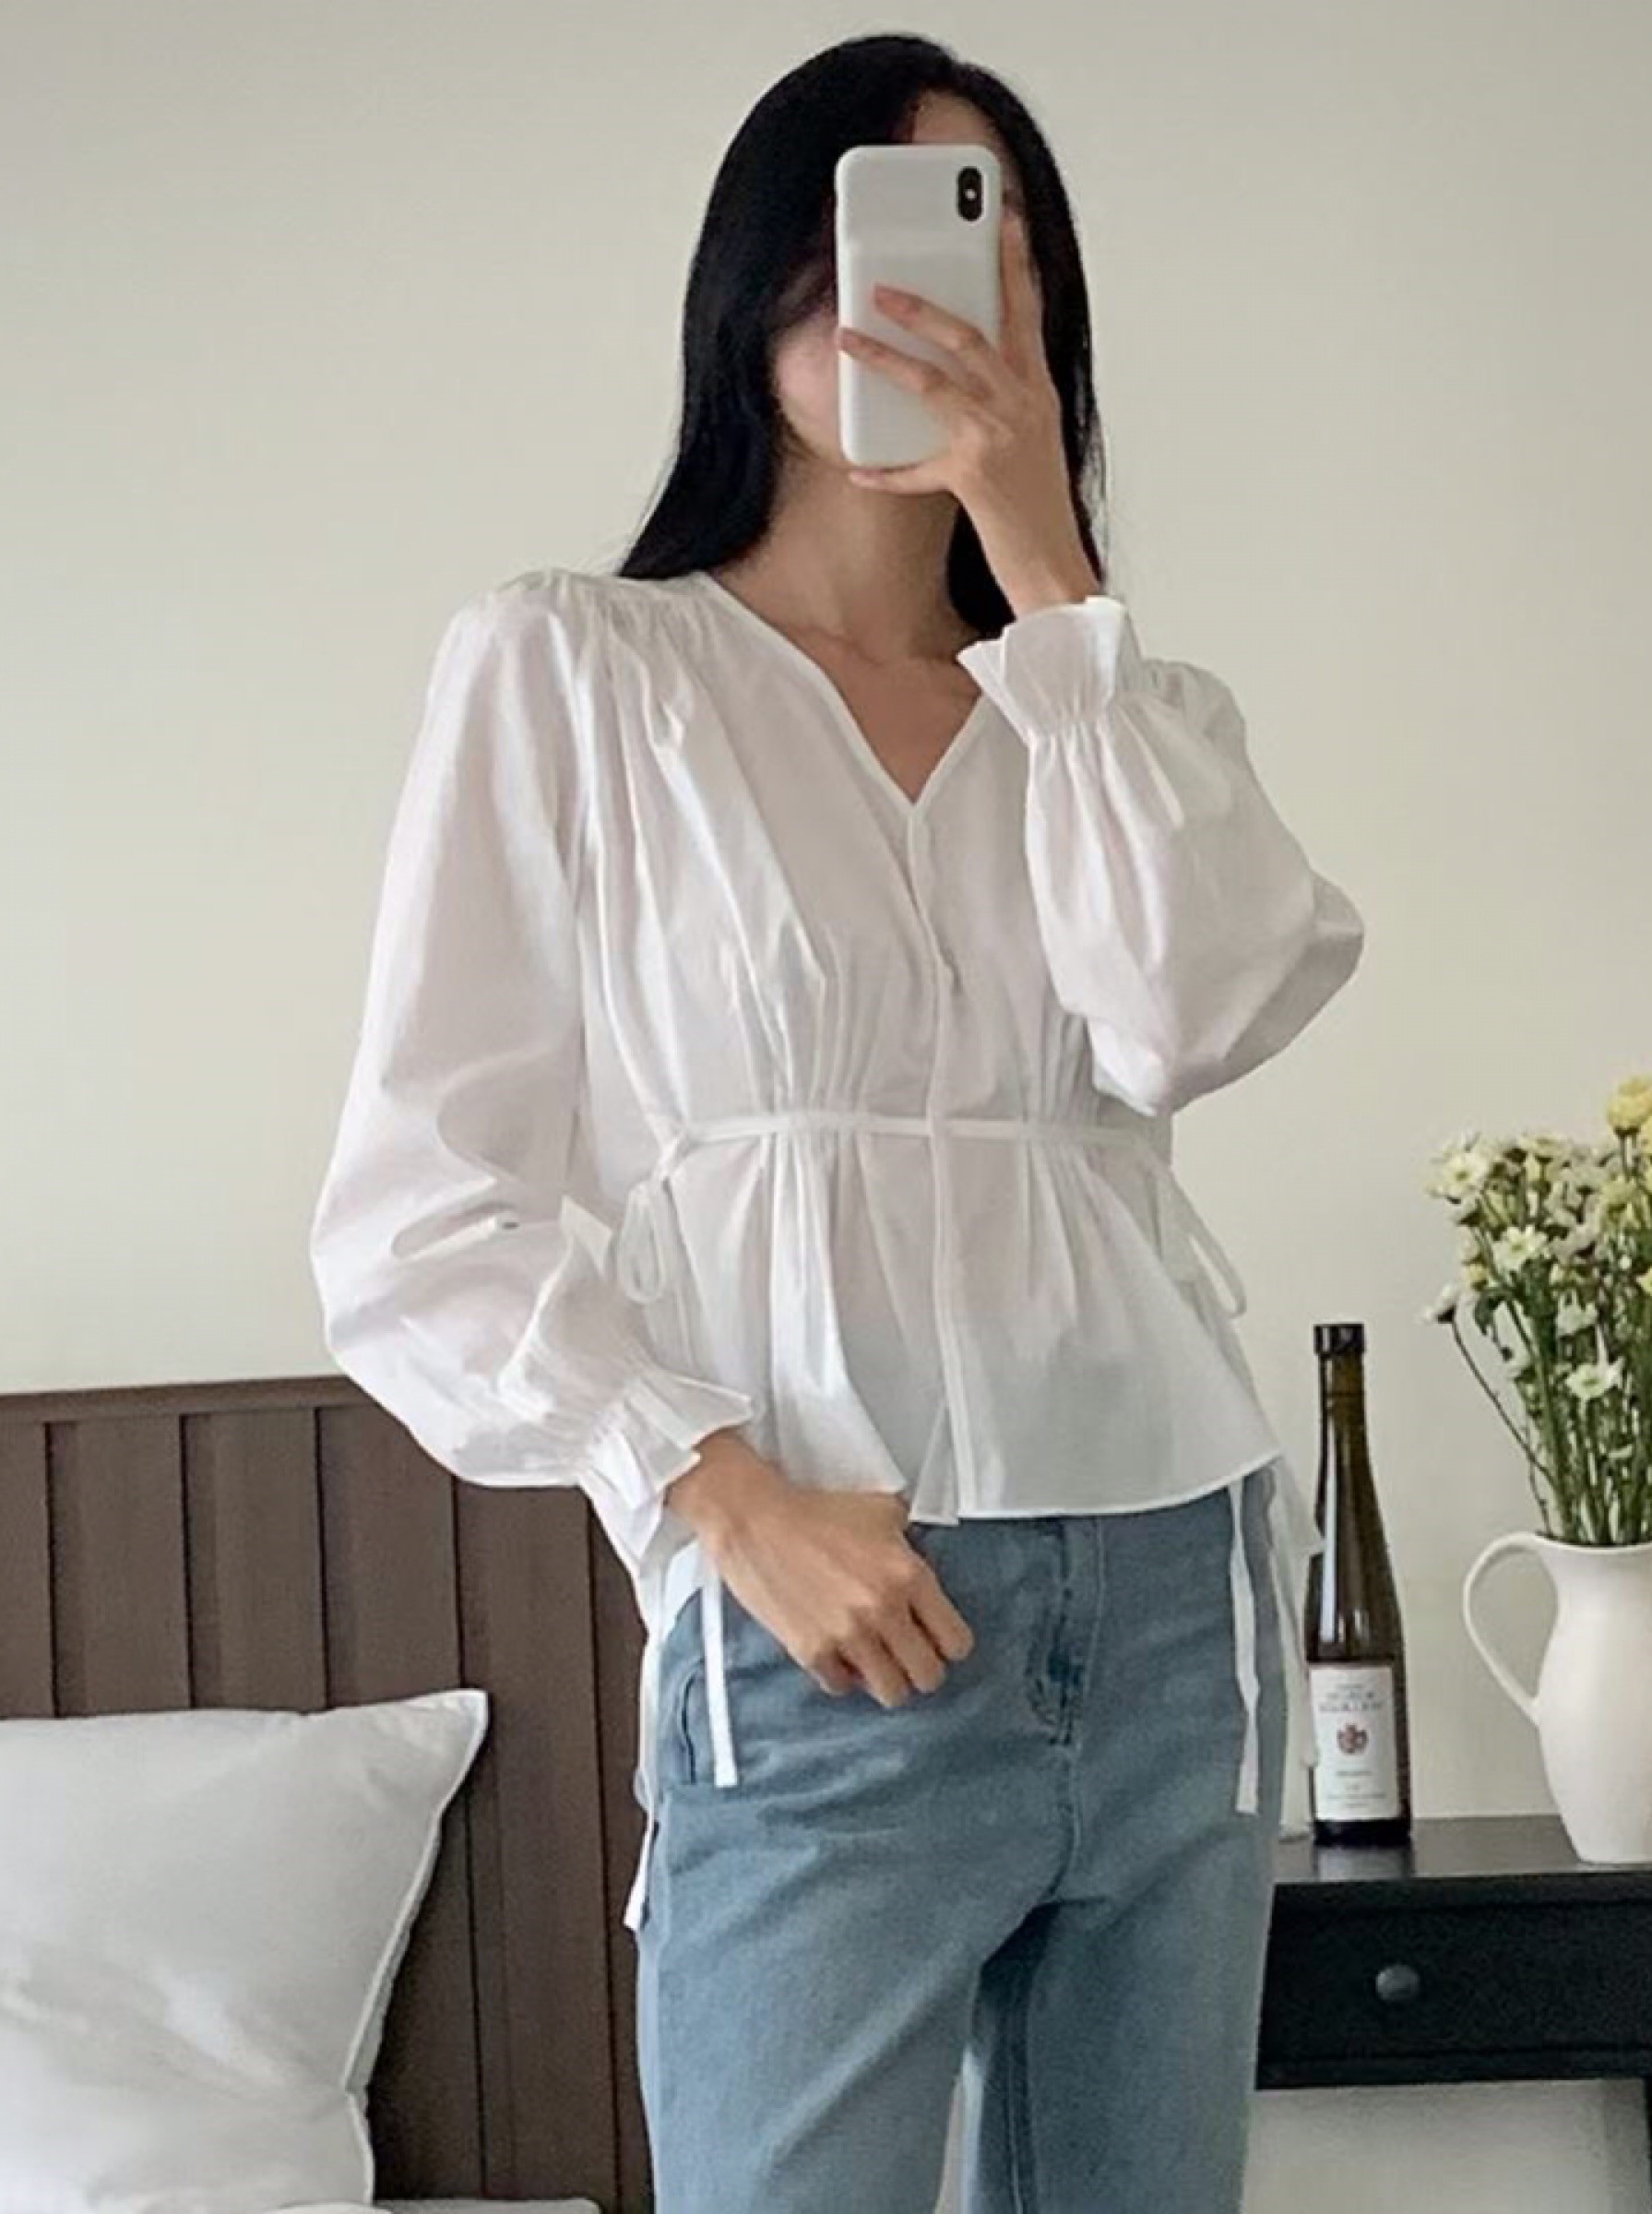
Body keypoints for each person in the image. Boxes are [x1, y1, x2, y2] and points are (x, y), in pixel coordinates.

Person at [308, 30, 1365, 2214]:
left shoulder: (1116, 716)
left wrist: (1054, 579)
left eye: (989, 243)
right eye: (861, 228)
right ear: (757, 282)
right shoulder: (581, 672)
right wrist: (715, 1491)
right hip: (825, 1606)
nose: (916, 293)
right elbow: (418, 1218)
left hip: (1175, 1597)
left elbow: (1191, 1020)